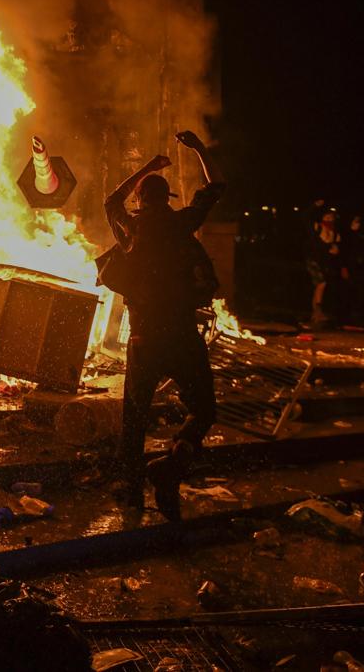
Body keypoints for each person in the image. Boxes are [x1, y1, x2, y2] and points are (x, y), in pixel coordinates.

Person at [101, 130, 224, 522]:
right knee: (203, 410)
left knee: (134, 418)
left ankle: (133, 489)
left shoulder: (130, 231)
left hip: (144, 339)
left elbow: (110, 201)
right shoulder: (182, 224)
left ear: (139, 200)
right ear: (166, 199)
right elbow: (215, 186)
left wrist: (147, 168)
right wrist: (200, 149)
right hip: (183, 336)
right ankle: (170, 466)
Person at [306, 208, 347, 328]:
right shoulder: (317, 228)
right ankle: (318, 310)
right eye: (327, 217)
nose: (329, 220)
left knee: (320, 286)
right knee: (321, 283)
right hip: (313, 260)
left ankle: (315, 314)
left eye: (332, 218)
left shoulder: (335, 233)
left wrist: (335, 251)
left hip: (324, 263)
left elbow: (338, 248)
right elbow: (315, 244)